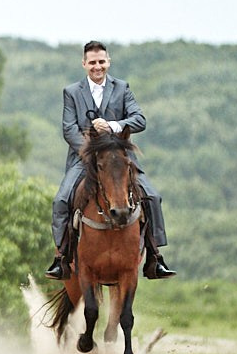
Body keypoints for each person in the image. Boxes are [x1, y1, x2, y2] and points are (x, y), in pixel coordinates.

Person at [47, 40, 174, 280]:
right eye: (92, 62)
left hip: (119, 158)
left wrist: (115, 126)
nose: (98, 67)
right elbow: (69, 129)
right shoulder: (72, 92)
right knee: (61, 200)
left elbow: (139, 119)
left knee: (152, 197)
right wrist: (92, 150)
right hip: (84, 159)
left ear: (109, 61)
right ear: (84, 64)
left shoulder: (122, 88)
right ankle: (61, 258)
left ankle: (155, 258)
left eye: (102, 62)